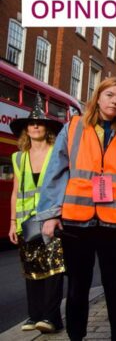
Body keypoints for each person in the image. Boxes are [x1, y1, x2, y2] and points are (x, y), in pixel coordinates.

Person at [36, 77, 116, 341]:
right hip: (76, 221)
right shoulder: (73, 128)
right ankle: (76, 337)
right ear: (98, 97)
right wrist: (50, 214)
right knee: (77, 289)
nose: (114, 101)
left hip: (113, 222)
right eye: (109, 95)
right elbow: (55, 172)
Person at [8, 94, 65, 334]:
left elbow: (65, 185)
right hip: (25, 223)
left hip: (50, 218)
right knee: (31, 269)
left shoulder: (57, 153)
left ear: (47, 128)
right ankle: (34, 316)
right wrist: (12, 222)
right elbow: (14, 192)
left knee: (53, 267)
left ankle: (52, 318)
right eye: (31, 124)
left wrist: (60, 214)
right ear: (25, 130)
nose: (35, 126)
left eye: (39, 123)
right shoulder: (18, 157)